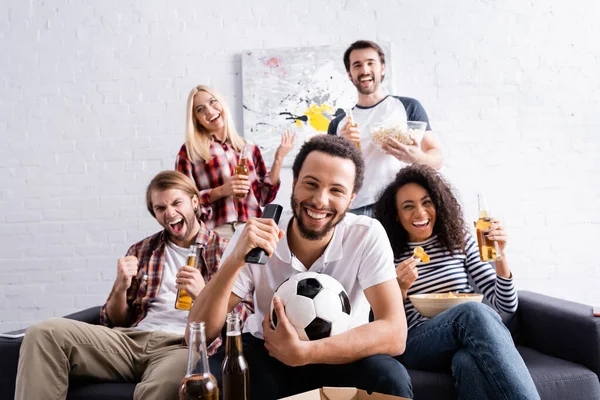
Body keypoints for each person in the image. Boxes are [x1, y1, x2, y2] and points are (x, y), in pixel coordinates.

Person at [189, 135, 413, 399]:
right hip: (267, 351)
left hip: (344, 352)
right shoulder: (259, 233)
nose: (320, 200)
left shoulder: (366, 234)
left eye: (336, 190)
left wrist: (303, 353)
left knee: (390, 377)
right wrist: (235, 259)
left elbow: (395, 333)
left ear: (351, 199)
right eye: (311, 184)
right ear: (294, 184)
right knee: (214, 378)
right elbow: (198, 332)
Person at [14, 171, 251, 400]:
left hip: (182, 346)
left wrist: (205, 295)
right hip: (129, 340)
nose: (170, 213)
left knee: (169, 385)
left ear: (195, 202)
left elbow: (241, 322)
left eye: (177, 203)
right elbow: (113, 320)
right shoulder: (142, 250)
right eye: (160, 208)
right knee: (43, 333)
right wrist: (120, 287)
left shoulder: (227, 252)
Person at [373, 164, 540, 400]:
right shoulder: (386, 254)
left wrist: (500, 256)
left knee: (467, 361)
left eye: (427, 202)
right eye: (408, 207)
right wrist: (399, 288)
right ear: (396, 216)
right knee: (473, 312)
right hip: (415, 343)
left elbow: (506, 306)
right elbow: (380, 321)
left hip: (464, 334)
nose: (420, 213)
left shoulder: (459, 243)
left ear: (438, 205)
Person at [328, 40, 444, 217]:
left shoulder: (407, 107)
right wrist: (344, 148)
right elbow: (330, 174)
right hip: (355, 210)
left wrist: (417, 157)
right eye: (357, 65)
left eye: (370, 63)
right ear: (350, 74)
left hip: (400, 205)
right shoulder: (338, 123)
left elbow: (437, 159)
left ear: (382, 68)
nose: (365, 70)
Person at [176, 84, 295, 239]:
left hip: (251, 227)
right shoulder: (191, 151)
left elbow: (263, 198)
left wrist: (278, 158)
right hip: (216, 230)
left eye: (213, 102)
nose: (210, 111)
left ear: (222, 103)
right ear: (196, 120)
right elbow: (182, 199)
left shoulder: (249, 148)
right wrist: (222, 191)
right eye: (200, 109)